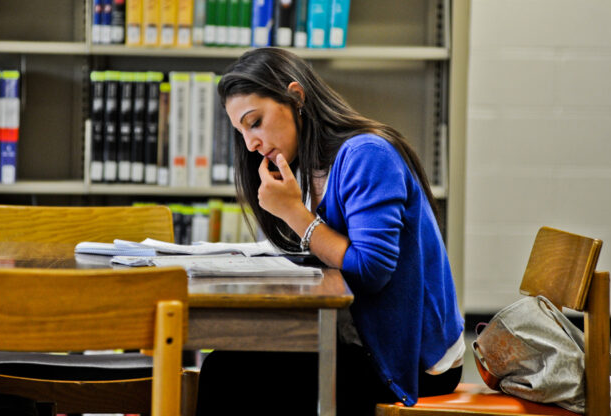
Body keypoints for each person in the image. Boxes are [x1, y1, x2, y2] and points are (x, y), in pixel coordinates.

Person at [194, 47, 464, 415]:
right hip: (359, 341)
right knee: (227, 364)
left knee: (227, 373)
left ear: (296, 96)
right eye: (241, 130)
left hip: (409, 361)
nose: (250, 144)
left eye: (254, 122)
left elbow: (371, 271)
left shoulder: (366, 154)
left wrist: (294, 213)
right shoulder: (305, 167)